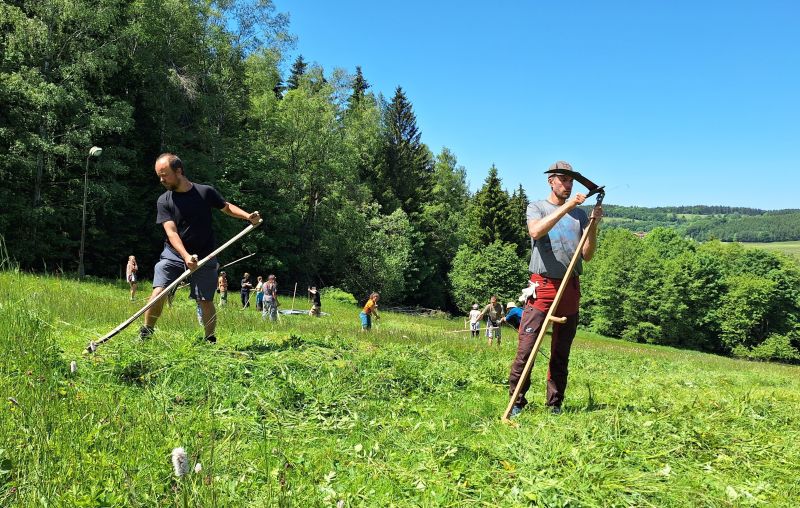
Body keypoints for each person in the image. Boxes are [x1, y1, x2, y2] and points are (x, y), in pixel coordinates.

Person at [508, 161, 602, 417]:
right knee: (527, 347)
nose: (568, 185)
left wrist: (592, 225)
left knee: (561, 350)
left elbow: (587, 254)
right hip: (543, 285)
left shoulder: (581, 216)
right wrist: (567, 207)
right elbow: (536, 231)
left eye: (571, 181)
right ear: (551, 181)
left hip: (570, 286)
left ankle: (555, 405)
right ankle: (517, 401)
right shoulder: (536, 207)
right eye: (563, 180)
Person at [139, 153, 260, 344]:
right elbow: (171, 233)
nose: (161, 180)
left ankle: (209, 339)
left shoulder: (205, 192)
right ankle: (146, 332)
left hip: (205, 255)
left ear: (179, 171)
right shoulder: (164, 200)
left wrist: (248, 216)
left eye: (165, 175)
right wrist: (186, 256)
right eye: (159, 176)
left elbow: (226, 207)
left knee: (205, 300)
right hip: (173, 254)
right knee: (158, 292)